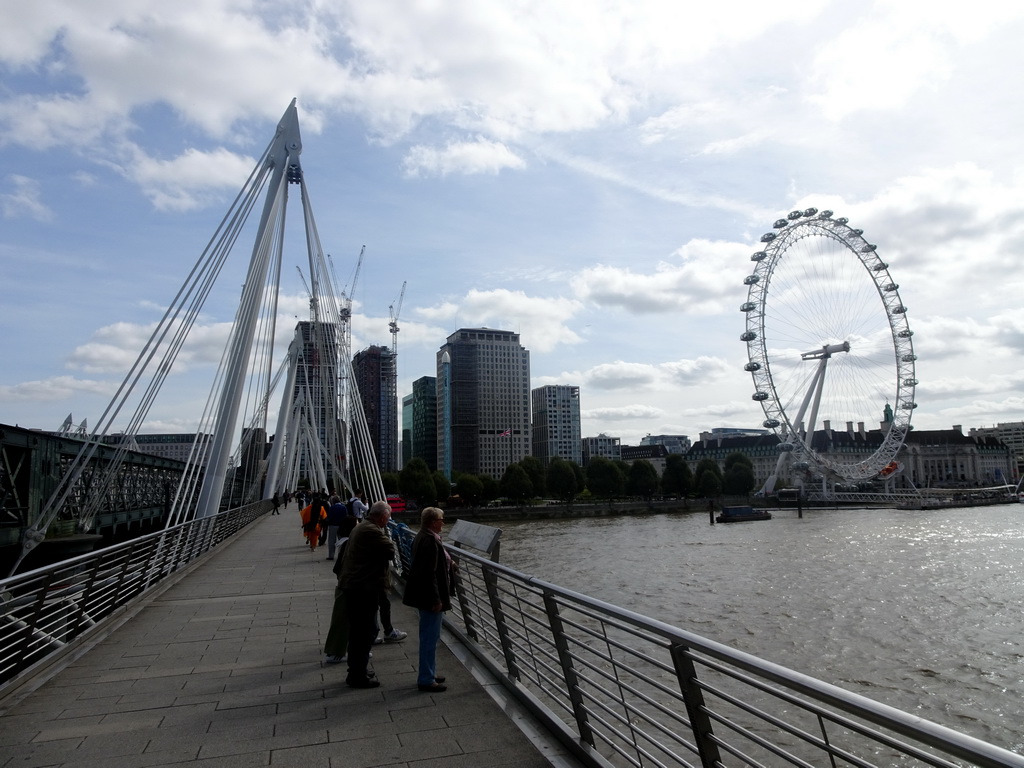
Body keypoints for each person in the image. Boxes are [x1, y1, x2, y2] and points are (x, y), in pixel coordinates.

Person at [338, 501, 395, 688]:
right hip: (363, 588)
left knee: (360, 631)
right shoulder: (371, 530)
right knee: (365, 631)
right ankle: (357, 676)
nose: (388, 521)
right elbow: (390, 550)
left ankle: (357, 669)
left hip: (357, 585)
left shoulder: (362, 526)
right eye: (388, 518)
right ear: (382, 517)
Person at [402, 506, 455, 693]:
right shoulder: (430, 540)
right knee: (429, 638)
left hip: (423, 595)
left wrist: (450, 562)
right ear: (433, 522)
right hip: (429, 598)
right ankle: (425, 679)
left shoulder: (422, 536)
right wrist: (436, 599)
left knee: (431, 636)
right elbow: (428, 573)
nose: (443, 523)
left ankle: (429, 672)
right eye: (442, 519)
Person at [323, 505, 360, 664]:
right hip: (347, 587)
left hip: (344, 585)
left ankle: (344, 650)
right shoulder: (348, 544)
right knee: (343, 621)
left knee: (345, 620)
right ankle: (335, 653)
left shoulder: (343, 543)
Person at [325, 495, 347, 560]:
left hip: (333, 525)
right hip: (342, 525)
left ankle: (331, 555)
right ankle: (341, 555)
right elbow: (346, 516)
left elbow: (329, 517)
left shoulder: (332, 508)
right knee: (341, 540)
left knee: (332, 540)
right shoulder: (344, 507)